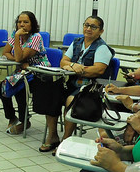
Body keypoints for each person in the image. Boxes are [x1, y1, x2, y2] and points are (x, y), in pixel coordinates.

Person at [40, 16, 114, 152]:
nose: (88, 29)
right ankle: (52, 135)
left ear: (101, 31)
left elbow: (98, 69)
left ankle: (65, 140)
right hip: (71, 82)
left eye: (93, 27)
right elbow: (63, 62)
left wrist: (77, 69)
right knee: (50, 90)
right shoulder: (77, 42)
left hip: (90, 88)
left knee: (71, 99)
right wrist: (74, 65)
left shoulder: (102, 48)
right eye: (86, 25)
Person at [0, 11, 50, 134]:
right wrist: (20, 61)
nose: (22, 25)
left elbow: (19, 57)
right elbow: (5, 53)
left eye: (26, 22)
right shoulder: (15, 34)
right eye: (19, 22)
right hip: (23, 70)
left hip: (38, 72)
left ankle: (24, 121)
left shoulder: (36, 37)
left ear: (32, 25)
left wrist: (17, 40)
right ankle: (12, 117)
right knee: (3, 86)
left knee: (19, 86)